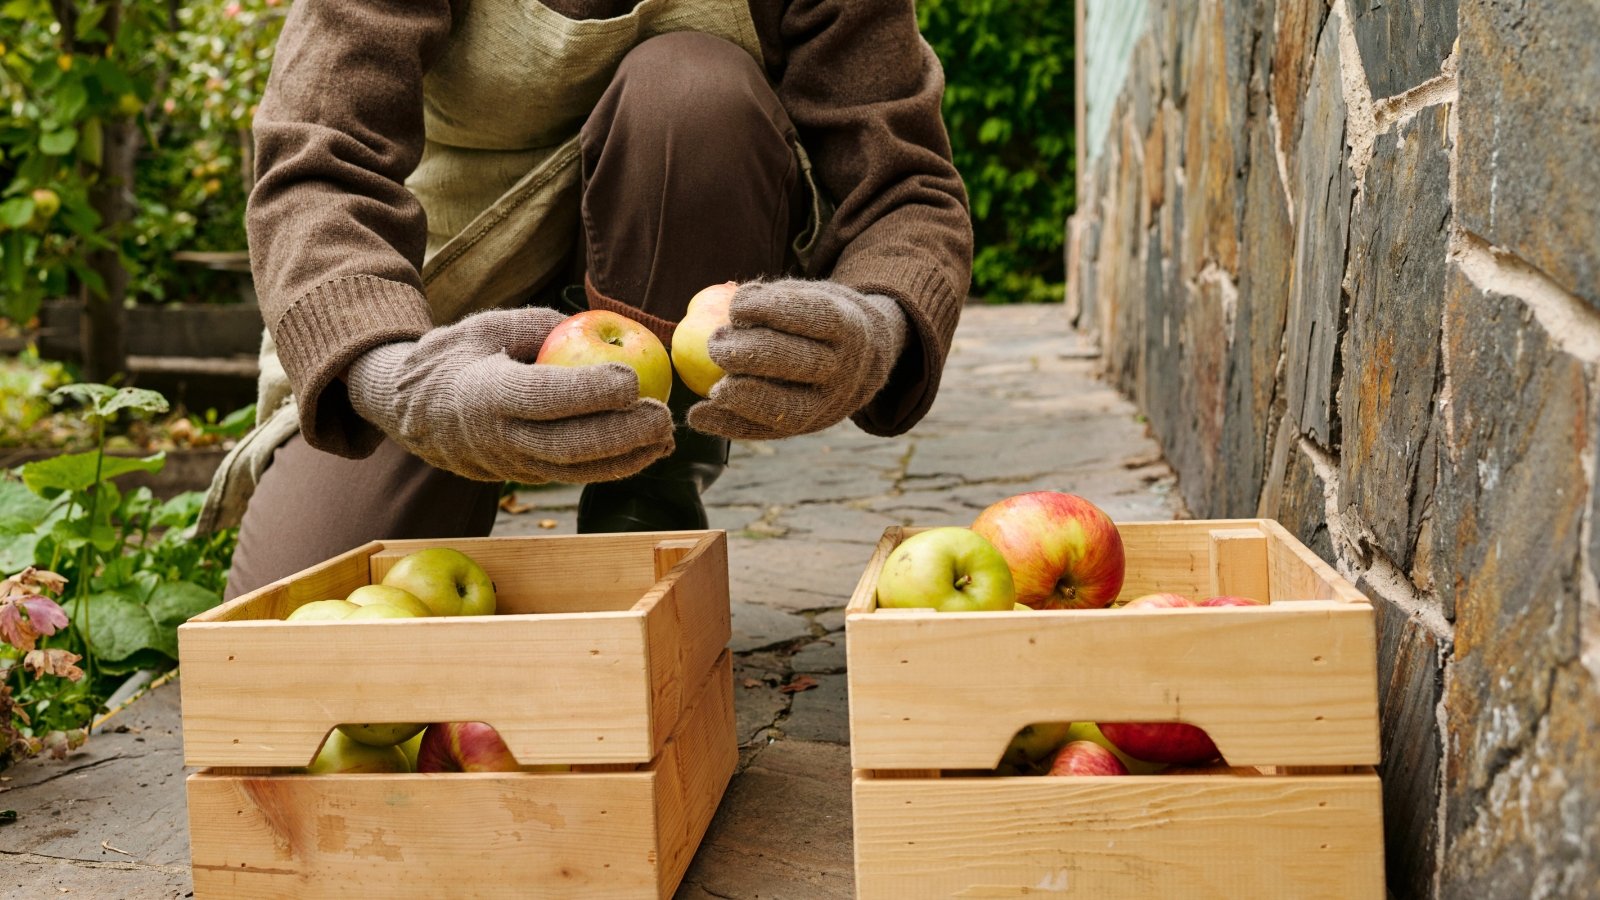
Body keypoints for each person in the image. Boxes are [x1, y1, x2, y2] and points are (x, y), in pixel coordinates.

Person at [201, 0, 974, 600]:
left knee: (695, 91)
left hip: (669, 246)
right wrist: (391, 378)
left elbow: (904, 187)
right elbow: (315, 164)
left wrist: (878, 327)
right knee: (304, 653)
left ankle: (649, 482)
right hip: (436, 302)